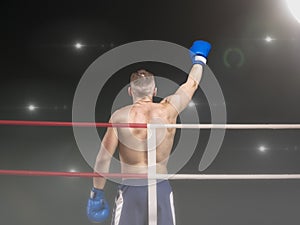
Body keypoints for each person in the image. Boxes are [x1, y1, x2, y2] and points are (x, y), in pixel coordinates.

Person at [86, 40, 211, 225]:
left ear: (130, 91)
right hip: (160, 187)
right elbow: (191, 84)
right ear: (154, 90)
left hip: (132, 189)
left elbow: (103, 159)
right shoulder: (168, 110)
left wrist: (96, 193)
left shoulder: (119, 117)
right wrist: (199, 59)